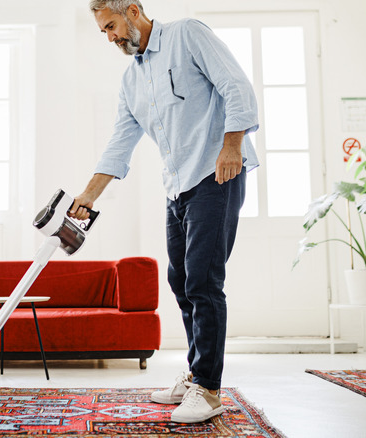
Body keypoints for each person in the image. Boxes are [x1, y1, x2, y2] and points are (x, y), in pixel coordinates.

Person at [70, 0, 260, 424]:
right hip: (177, 187)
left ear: (133, 11)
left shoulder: (186, 34)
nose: (111, 37)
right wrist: (87, 197)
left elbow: (237, 87)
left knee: (203, 280)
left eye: (112, 26)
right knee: (180, 280)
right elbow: (120, 143)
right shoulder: (131, 80)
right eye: (103, 32)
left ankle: (209, 390)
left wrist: (232, 146)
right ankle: (196, 374)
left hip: (217, 173)